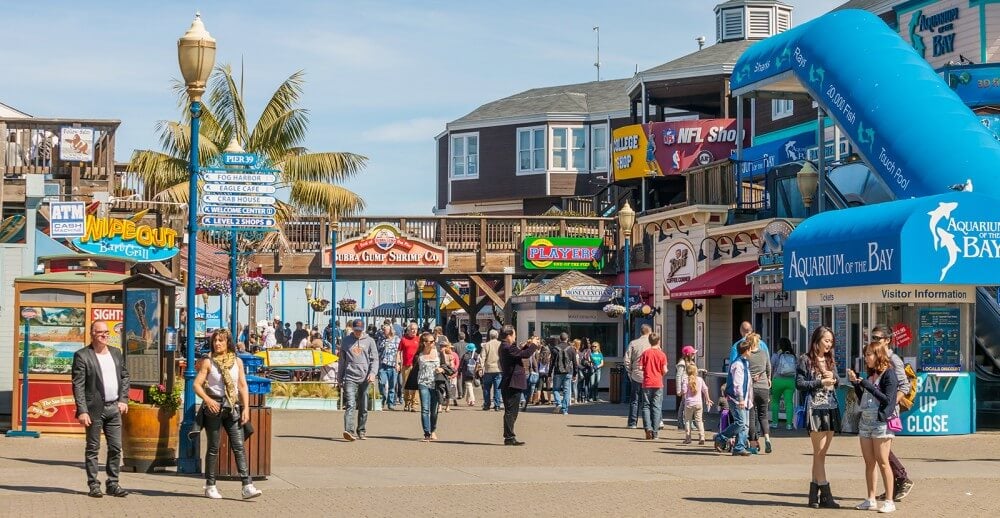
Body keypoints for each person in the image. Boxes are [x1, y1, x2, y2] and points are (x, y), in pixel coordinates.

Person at [192, 328, 262, 499]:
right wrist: (208, 400)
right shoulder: (208, 362)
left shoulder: (237, 361)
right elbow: (196, 385)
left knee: (238, 446)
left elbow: (243, 386)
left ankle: (247, 485)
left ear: (228, 343)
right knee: (213, 447)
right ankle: (210, 485)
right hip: (214, 408)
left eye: (221, 341)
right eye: (215, 341)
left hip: (232, 407)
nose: (217, 344)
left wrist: (246, 408)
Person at [71, 319, 131, 498]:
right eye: (100, 332)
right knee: (93, 448)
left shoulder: (116, 353)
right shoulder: (82, 355)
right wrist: (82, 410)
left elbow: (125, 376)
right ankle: (93, 484)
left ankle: (113, 483)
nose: (104, 335)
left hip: (114, 408)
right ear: (92, 334)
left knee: (115, 448)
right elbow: (78, 385)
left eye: (106, 332)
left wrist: (123, 399)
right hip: (93, 409)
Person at [848, 341, 899, 513]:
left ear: (879, 355)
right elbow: (864, 397)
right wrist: (856, 384)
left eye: (869, 354)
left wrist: (867, 385)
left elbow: (887, 399)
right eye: (866, 354)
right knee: (869, 462)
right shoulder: (870, 375)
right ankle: (870, 498)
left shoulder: (889, 374)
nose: (866, 358)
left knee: (883, 462)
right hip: (865, 422)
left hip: (881, 423)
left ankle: (889, 500)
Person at [797, 326, 842, 509]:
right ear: (817, 341)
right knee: (819, 452)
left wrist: (834, 378)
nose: (829, 345)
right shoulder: (805, 359)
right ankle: (825, 492)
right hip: (815, 408)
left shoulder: (830, 360)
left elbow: (838, 381)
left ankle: (813, 495)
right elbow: (799, 384)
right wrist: (819, 382)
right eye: (826, 340)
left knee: (821, 454)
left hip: (830, 407)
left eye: (831, 341)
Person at [870, 325, 915, 502]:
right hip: (876, 409)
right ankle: (894, 486)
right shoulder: (877, 356)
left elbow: (904, 386)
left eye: (877, 338)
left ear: (887, 340)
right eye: (872, 337)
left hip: (887, 411)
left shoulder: (893, 359)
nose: (874, 341)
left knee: (881, 449)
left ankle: (902, 478)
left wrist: (890, 403)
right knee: (879, 448)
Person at [337, 319, 379, 441]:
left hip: (365, 377)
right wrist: (340, 377)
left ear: (363, 329)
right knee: (350, 404)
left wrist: (372, 373)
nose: (357, 333)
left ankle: (361, 430)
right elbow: (342, 361)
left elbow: (375, 359)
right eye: (356, 330)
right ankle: (348, 431)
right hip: (350, 377)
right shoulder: (346, 341)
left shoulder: (370, 341)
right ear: (352, 328)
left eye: (360, 331)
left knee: (363, 406)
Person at [498, 326, 539, 446]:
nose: (515, 337)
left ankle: (509, 436)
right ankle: (509, 437)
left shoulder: (508, 347)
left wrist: (527, 344)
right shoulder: (507, 347)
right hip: (512, 382)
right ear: (509, 335)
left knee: (512, 411)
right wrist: (534, 345)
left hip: (512, 382)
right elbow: (525, 355)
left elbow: (520, 353)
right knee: (511, 411)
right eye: (514, 334)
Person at [405, 332, 449, 441]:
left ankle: (433, 430)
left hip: (435, 383)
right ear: (424, 343)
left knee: (434, 410)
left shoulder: (438, 353)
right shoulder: (419, 355)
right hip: (423, 383)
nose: (432, 343)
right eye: (430, 342)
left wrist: (442, 369)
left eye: (433, 341)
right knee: (425, 408)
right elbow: (414, 369)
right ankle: (427, 433)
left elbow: (445, 365)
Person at [714, 336, 753, 456]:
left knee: (745, 425)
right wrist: (740, 398)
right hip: (736, 399)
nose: (752, 351)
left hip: (745, 399)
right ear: (746, 350)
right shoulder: (738, 364)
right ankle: (721, 437)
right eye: (750, 349)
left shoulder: (745, 362)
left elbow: (747, 381)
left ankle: (739, 447)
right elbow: (737, 383)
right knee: (740, 422)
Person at [747, 333, 773, 454]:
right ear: (758, 342)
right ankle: (767, 438)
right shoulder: (764, 353)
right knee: (763, 416)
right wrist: (768, 379)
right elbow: (768, 367)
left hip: (750, 388)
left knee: (751, 417)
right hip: (764, 387)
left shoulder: (747, 355)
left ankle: (752, 444)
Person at [638, 334, 668, 440]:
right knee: (657, 407)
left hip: (647, 382)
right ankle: (655, 432)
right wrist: (660, 374)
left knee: (646, 406)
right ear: (658, 341)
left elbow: (640, 367)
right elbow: (665, 370)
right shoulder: (662, 354)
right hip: (658, 382)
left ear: (649, 341)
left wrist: (647, 370)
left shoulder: (645, 353)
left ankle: (648, 429)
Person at [623, 324, 653, 428]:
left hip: (636, 375)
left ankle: (632, 423)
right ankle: (648, 423)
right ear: (650, 332)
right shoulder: (653, 345)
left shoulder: (633, 343)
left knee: (634, 400)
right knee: (648, 401)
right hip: (650, 376)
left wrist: (630, 371)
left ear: (641, 332)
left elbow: (626, 360)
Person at [681, 363, 712, 445]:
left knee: (688, 420)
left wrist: (681, 394)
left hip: (689, 404)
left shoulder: (685, 380)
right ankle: (702, 436)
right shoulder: (700, 379)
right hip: (699, 403)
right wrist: (708, 399)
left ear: (687, 372)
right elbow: (705, 389)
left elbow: (684, 391)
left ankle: (688, 438)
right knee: (699, 421)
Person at [770, 337, 797, 431]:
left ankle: (774, 423)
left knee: (775, 402)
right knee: (789, 403)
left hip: (778, 380)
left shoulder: (776, 355)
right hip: (790, 381)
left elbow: (771, 368)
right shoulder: (793, 355)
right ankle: (789, 424)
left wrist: (770, 380)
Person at [550, 332, 577, 415]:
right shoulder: (571, 349)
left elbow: (551, 363)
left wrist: (549, 374)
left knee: (556, 389)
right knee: (566, 390)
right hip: (568, 372)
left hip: (557, 372)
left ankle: (558, 403)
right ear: (567, 339)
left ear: (559, 339)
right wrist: (575, 374)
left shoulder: (554, 349)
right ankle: (565, 410)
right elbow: (575, 363)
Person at [398, 323, 421, 412]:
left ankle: (414, 404)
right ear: (408, 330)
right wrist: (398, 363)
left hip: (416, 365)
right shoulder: (403, 340)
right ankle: (407, 402)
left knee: (415, 385)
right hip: (406, 365)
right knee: (406, 385)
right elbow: (399, 351)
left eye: (415, 329)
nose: (414, 331)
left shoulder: (419, 339)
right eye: (412, 329)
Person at [377, 324, 400, 411]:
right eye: (383, 330)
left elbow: (399, 352)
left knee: (392, 386)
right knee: (382, 383)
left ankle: (390, 403)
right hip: (383, 365)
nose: (384, 331)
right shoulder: (381, 339)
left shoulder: (397, 340)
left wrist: (398, 364)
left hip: (393, 365)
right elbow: (377, 351)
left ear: (390, 330)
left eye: (385, 329)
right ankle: (382, 400)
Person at [674, 345, 697, 430]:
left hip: (690, 385)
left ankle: (681, 423)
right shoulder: (682, 363)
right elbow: (678, 376)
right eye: (693, 353)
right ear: (688, 354)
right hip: (685, 387)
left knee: (684, 405)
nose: (694, 354)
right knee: (686, 405)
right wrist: (679, 389)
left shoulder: (691, 363)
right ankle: (686, 423)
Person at [480, 329, 503, 411]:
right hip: (498, 369)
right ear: (497, 336)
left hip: (488, 369)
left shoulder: (486, 345)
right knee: (497, 388)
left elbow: (482, 357)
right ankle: (497, 405)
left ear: (489, 336)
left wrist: (481, 367)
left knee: (486, 388)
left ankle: (487, 404)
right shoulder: (500, 344)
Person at [460, 342, 481, 407]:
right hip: (474, 373)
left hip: (466, 373)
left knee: (469, 385)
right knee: (470, 386)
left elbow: (461, 364)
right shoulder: (477, 355)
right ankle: (468, 400)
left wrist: (459, 371)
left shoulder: (465, 355)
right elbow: (479, 364)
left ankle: (472, 399)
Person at [442, 344, 459, 411]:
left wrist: (454, 372)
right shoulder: (442, 354)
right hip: (447, 374)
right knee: (450, 387)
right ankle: (445, 400)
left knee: (453, 387)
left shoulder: (454, 355)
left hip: (452, 373)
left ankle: (454, 399)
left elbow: (457, 364)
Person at [576, 339, 593, 403]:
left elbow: (577, 362)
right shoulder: (588, 350)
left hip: (581, 368)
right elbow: (589, 359)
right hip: (587, 368)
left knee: (580, 384)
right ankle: (586, 398)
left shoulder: (578, 350)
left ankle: (579, 398)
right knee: (586, 384)